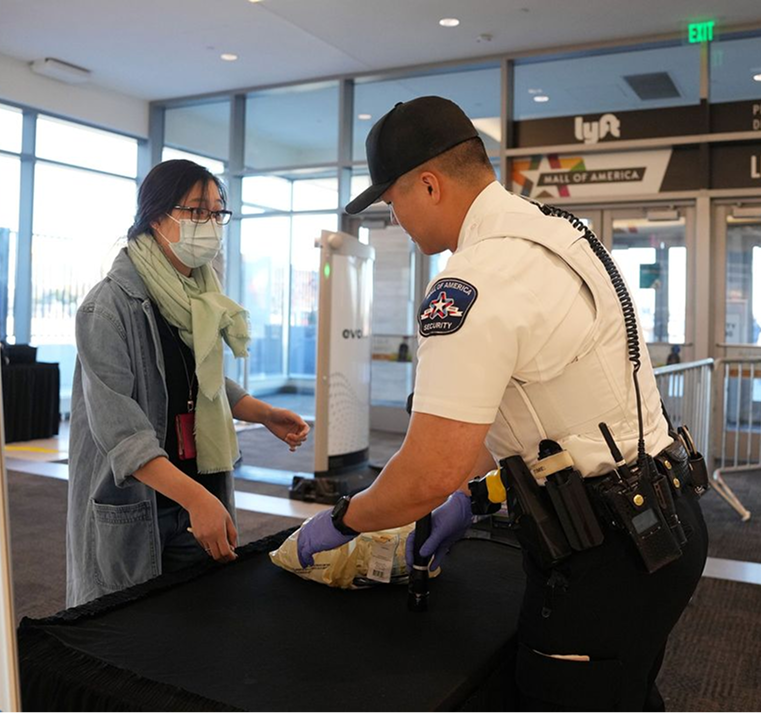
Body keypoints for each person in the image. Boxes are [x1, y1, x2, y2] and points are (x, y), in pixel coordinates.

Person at [297, 97, 708, 712]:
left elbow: (429, 471)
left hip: (604, 553)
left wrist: (340, 520)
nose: (394, 218)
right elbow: (567, 410)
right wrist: (479, 496)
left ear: (430, 185)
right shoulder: (558, 232)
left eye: (392, 200)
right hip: (662, 518)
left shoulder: (475, 278)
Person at [66, 159, 309, 608]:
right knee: (131, 634)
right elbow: (123, 435)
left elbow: (203, 381)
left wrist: (264, 413)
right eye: (198, 211)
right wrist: (196, 499)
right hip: (144, 505)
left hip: (195, 497)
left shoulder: (196, 294)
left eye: (218, 212)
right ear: (158, 217)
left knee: (201, 624)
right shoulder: (106, 309)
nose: (212, 224)